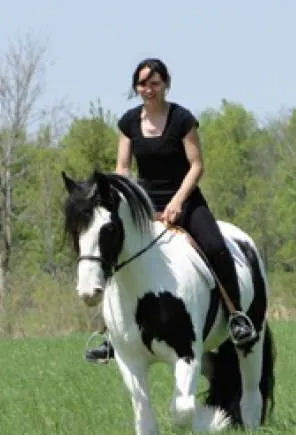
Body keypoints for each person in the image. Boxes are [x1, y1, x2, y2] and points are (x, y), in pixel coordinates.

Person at [85, 58, 255, 363]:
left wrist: (177, 202)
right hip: (144, 204)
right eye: (142, 84)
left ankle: (237, 317)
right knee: (113, 253)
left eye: (154, 83)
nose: (148, 89)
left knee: (216, 247)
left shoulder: (182, 119)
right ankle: (110, 333)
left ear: (166, 84)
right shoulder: (127, 123)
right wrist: (129, 202)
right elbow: (122, 168)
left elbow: (197, 165)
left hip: (186, 200)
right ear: (135, 87)